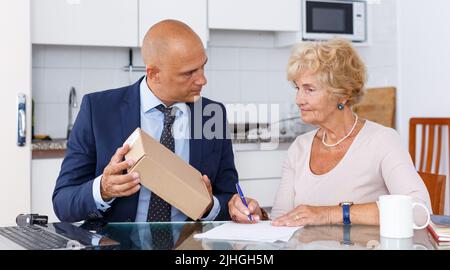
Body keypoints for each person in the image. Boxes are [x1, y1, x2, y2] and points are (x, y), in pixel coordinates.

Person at [228, 38, 431, 226]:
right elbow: (282, 219)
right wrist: (257, 216)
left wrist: (327, 214)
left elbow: (418, 210)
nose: (299, 99)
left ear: (342, 95)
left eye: (309, 89)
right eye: (297, 88)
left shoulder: (382, 140)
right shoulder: (299, 147)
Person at [53, 19, 238, 223]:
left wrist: (209, 206)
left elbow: (230, 199)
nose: (202, 80)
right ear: (154, 73)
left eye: (202, 66)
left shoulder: (212, 114)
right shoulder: (97, 110)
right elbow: (63, 203)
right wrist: (103, 189)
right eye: (189, 73)